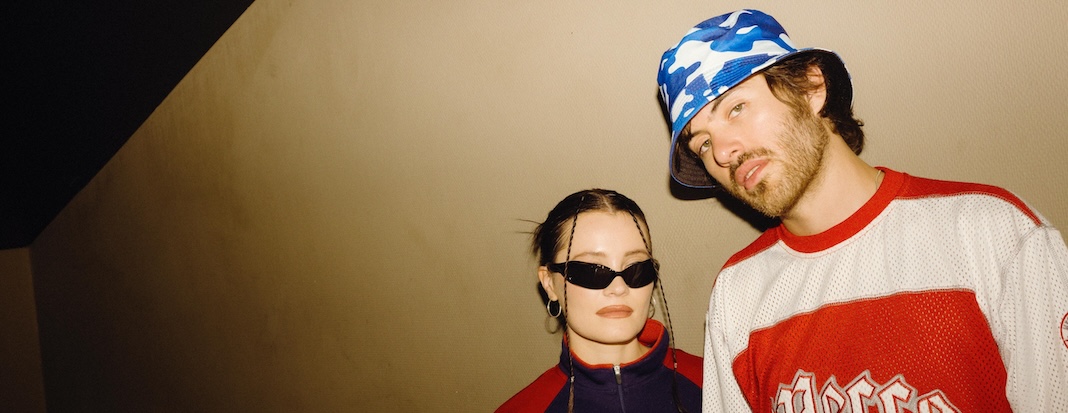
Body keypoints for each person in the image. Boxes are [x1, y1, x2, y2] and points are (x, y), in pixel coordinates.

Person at [655, 9, 1068, 412]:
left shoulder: (994, 233)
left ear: (811, 88)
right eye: (702, 143)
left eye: (736, 108)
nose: (722, 152)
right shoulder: (737, 294)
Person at [496, 189, 703, 412]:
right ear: (549, 283)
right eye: (591, 271)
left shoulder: (714, 381)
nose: (619, 288)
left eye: (636, 269)